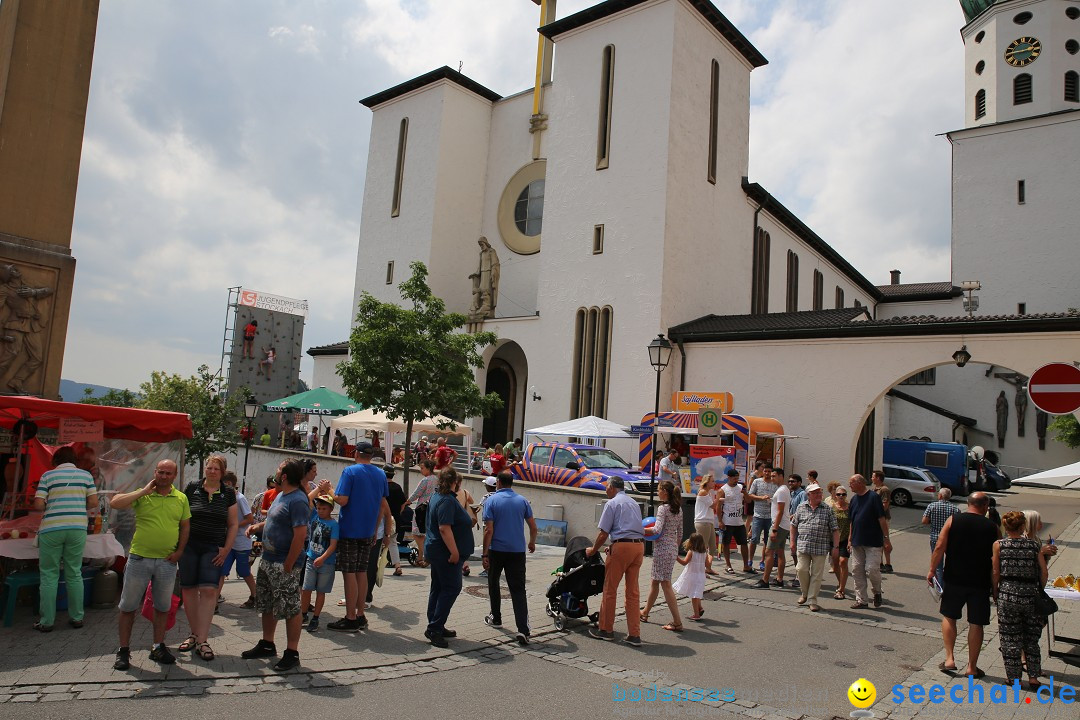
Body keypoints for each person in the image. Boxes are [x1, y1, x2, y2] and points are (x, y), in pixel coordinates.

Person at [109, 459, 191, 670]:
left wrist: (180, 551)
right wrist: (143, 491)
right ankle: (123, 650)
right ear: (155, 472)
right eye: (160, 472)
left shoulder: (180, 498)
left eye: (167, 473)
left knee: (162, 607)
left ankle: (157, 646)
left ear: (174, 476)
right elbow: (115, 503)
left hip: (166, 562)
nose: (163, 476)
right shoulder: (143, 494)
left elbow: (185, 526)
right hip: (139, 559)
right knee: (128, 606)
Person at [241, 459, 311, 671]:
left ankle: (292, 652)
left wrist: (289, 564)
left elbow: (300, 534)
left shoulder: (298, 500)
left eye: (279, 470)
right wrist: (257, 527)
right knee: (268, 604)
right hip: (269, 560)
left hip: (284, 563)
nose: (275, 473)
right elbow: (275, 521)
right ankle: (267, 644)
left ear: (285, 476)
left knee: (290, 608)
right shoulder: (281, 495)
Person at [927, 492, 997, 677]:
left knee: (950, 616)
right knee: (976, 623)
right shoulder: (992, 527)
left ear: (968, 503)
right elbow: (996, 559)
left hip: (954, 578)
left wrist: (932, 570)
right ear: (985, 506)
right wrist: (995, 585)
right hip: (980, 582)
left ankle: (949, 659)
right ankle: (972, 667)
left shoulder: (953, 520)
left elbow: (940, 546)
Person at [178, 455, 238, 661]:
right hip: (189, 545)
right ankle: (194, 633)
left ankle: (203, 639)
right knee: (188, 589)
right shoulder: (193, 487)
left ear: (222, 473)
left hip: (213, 546)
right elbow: (182, 515)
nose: (212, 471)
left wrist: (226, 549)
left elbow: (233, 524)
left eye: (216, 469)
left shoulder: (228, 493)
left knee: (209, 590)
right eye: (209, 468)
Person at [33, 446, 97, 632]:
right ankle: (77, 617)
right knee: (74, 572)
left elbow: (38, 505)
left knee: (49, 574)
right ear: (74, 460)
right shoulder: (86, 476)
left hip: (51, 528)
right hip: (77, 527)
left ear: (55, 461)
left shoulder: (47, 476)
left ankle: (47, 621)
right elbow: (93, 503)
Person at [328, 442, 390, 632]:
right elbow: (382, 505)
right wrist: (374, 528)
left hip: (350, 529)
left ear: (356, 454)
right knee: (362, 572)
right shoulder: (381, 474)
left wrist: (329, 490)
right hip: (368, 530)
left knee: (349, 574)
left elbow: (342, 500)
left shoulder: (350, 472)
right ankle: (360, 614)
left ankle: (351, 617)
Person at [481, 470, 538, 645]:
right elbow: (533, 527)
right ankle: (523, 630)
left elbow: (488, 530)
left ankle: (496, 617)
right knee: (518, 589)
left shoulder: (490, 501)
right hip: (517, 551)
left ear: (498, 482)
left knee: (493, 582)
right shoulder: (522, 501)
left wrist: (484, 553)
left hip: (496, 549)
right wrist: (531, 543)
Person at [587, 477, 645, 647]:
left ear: (612, 487)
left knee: (610, 589)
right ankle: (634, 634)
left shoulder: (612, 504)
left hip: (621, 547)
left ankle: (606, 629)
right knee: (632, 592)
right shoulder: (634, 502)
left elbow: (603, 533)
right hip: (638, 547)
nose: (605, 489)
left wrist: (593, 549)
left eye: (606, 486)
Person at [993, 510, 1048, 689]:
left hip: (1008, 594)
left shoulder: (999, 545)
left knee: (1010, 637)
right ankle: (1033, 676)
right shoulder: (1033, 545)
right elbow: (1043, 571)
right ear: (1023, 525)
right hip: (1030, 595)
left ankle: (1014, 678)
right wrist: (1040, 589)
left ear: (1006, 527)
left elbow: (995, 572)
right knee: (1031, 637)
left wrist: (995, 591)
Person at [424, 467, 473, 647]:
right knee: (452, 587)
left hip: (437, 551)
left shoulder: (438, 497)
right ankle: (434, 628)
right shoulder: (446, 500)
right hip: (444, 553)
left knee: (438, 587)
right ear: (455, 483)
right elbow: (445, 528)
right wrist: (454, 552)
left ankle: (436, 623)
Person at [640, 480, 684, 632]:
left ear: (665, 491)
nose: (657, 493)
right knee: (655, 581)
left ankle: (677, 622)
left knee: (665, 584)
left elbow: (656, 530)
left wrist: (639, 529)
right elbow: (680, 533)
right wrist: (674, 547)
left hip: (662, 549)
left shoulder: (663, 509)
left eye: (659, 490)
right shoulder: (678, 509)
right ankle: (645, 612)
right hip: (671, 548)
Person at [789, 482, 839, 612]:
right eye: (815, 493)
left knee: (816, 575)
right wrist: (792, 542)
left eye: (820, 492)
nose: (819, 495)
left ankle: (812, 600)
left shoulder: (827, 509)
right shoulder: (801, 507)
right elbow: (793, 525)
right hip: (803, 545)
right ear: (809, 495)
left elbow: (835, 529)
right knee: (801, 569)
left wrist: (835, 547)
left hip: (820, 547)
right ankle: (805, 593)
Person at [847, 474, 890, 610]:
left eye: (851, 483)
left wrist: (886, 538)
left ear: (860, 483)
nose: (850, 486)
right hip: (857, 541)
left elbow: (881, 519)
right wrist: (849, 539)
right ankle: (862, 600)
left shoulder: (873, 497)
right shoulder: (853, 500)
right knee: (856, 570)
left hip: (873, 541)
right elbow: (852, 521)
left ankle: (877, 591)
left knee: (871, 569)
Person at [217, 471, 257, 609]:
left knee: (244, 571)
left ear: (230, 484)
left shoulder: (240, 499)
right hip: (229, 542)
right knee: (222, 570)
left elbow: (249, 519)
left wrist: (233, 526)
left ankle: (255, 596)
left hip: (241, 542)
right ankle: (214, 600)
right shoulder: (223, 497)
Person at [300, 492, 339, 633]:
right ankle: (303, 614)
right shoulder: (314, 517)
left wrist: (323, 558)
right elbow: (308, 500)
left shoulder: (334, 525)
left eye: (324, 508)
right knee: (306, 589)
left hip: (326, 563)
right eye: (319, 508)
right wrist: (319, 489)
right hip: (311, 559)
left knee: (321, 591)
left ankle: (315, 618)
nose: (321, 511)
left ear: (330, 510)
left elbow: (333, 545)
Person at [757, 470, 791, 589]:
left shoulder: (781, 491)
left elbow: (780, 511)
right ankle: (779, 579)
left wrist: (775, 529)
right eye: (771, 476)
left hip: (779, 525)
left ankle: (765, 580)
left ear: (781, 476)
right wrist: (771, 500)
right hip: (784, 525)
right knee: (780, 552)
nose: (772, 478)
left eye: (774, 476)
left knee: (769, 552)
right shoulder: (784, 489)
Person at [922, 488, 960, 591]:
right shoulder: (955, 509)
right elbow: (957, 525)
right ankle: (951, 583)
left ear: (940, 496)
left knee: (937, 564)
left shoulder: (932, 506)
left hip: (935, 537)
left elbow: (924, 521)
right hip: (950, 539)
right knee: (951, 562)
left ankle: (939, 587)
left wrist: (933, 522)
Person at [716, 469, 751, 573]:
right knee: (726, 543)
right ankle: (728, 565)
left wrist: (745, 493)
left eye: (737, 478)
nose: (736, 480)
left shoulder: (740, 487)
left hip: (739, 522)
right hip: (727, 521)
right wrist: (720, 521)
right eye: (734, 478)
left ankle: (746, 565)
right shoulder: (723, 490)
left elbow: (748, 501)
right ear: (729, 478)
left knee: (744, 543)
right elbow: (718, 507)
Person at [672, 532, 711, 621]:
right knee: (697, 593)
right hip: (701, 576)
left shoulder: (691, 552)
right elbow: (708, 565)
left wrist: (676, 558)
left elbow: (684, 563)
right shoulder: (704, 553)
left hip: (692, 575)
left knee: (694, 596)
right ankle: (700, 608)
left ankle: (696, 614)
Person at [746, 465, 778, 571]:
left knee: (766, 541)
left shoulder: (775, 483)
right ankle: (750, 560)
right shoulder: (757, 482)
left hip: (770, 516)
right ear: (762, 472)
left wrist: (772, 499)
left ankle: (762, 561)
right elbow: (750, 495)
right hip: (758, 515)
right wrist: (761, 497)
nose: (767, 473)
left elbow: (778, 499)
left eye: (769, 471)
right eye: (766, 471)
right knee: (754, 539)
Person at [407, 459, 438, 567]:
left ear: (428, 468)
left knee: (416, 532)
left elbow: (417, 493)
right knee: (426, 533)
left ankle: (425, 555)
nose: (421, 470)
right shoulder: (437, 479)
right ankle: (420, 557)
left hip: (422, 508)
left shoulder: (425, 480)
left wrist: (407, 502)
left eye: (422, 468)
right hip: (433, 507)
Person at [830, 486, 851, 600]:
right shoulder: (832, 508)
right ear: (835, 496)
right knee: (835, 564)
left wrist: (851, 539)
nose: (841, 496)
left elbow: (853, 523)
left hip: (845, 539)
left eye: (843, 494)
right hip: (833, 539)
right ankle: (841, 583)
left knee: (843, 562)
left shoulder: (850, 508)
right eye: (839, 494)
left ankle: (841, 589)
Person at [870, 470, 893, 573]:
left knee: (885, 540)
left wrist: (876, 515)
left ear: (878, 478)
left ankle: (888, 564)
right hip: (876, 519)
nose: (871, 478)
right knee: (879, 541)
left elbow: (885, 505)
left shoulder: (884, 490)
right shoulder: (875, 489)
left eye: (873, 476)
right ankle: (880, 563)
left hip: (883, 518)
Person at [455, 476, 479, 576]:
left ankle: (462, 565)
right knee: (462, 545)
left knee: (455, 544)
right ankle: (465, 564)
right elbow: (472, 502)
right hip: (464, 521)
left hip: (454, 522)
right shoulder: (465, 492)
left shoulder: (449, 493)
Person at [693, 473, 719, 563]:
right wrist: (719, 497)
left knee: (713, 547)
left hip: (708, 522)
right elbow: (712, 505)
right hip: (703, 522)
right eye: (712, 481)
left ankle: (708, 567)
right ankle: (701, 567)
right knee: (703, 547)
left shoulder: (707, 492)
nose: (714, 483)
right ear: (706, 482)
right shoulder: (703, 492)